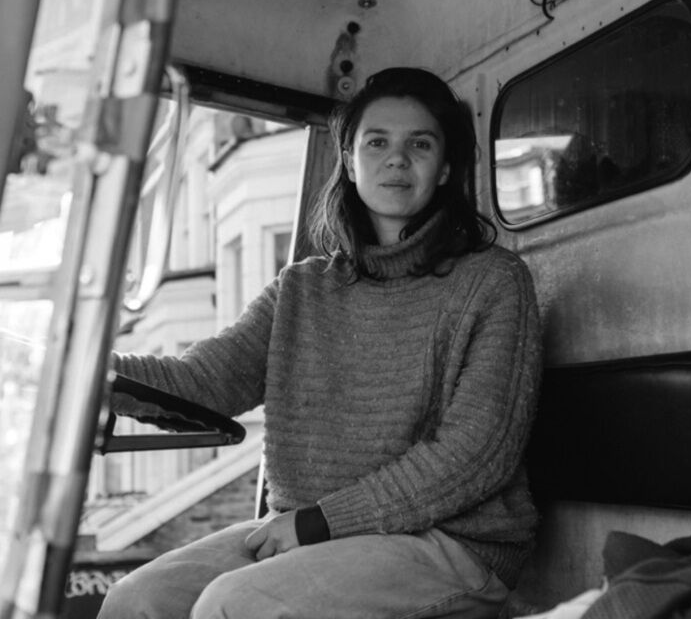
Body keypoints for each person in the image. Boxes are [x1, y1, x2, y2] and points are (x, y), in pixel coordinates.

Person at [99, 67, 543, 619]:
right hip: (310, 530)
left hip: (449, 542)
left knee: (235, 607)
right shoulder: (303, 288)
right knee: (136, 601)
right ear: (350, 163)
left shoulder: (492, 281)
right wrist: (90, 373)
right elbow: (201, 382)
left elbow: (474, 455)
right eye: (376, 142)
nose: (396, 159)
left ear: (446, 166)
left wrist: (321, 522)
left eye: (420, 144)